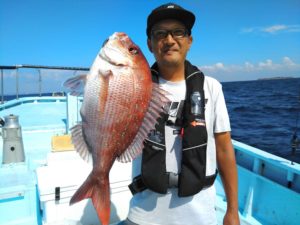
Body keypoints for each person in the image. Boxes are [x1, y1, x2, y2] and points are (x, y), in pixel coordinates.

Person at [121, 3, 240, 225]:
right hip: (143, 215)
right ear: (149, 44)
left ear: (189, 40)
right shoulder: (133, 88)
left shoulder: (211, 87)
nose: (169, 40)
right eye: (160, 33)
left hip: (200, 217)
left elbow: (224, 149)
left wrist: (232, 210)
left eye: (178, 32)